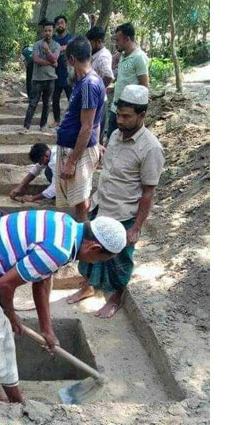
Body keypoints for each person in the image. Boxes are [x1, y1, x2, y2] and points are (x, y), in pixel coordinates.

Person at [0, 210, 127, 403]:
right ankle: (18, 403)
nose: (95, 264)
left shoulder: (68, 226)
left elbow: (42, 280)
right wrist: (11, 315)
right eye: (99, 261)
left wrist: (46, 329)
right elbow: (5, 284)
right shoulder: (57, 250)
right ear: (94, 248)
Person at [67, 85, 164, 319]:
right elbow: (108, 171)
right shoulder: (115, 135)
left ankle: (116, 297)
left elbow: (148, 193)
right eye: (118, 114)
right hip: (102, 205)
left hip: (124, 213)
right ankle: (88, 286)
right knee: (88, 251)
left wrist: (136, 227)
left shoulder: (151, 149)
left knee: (120, 261)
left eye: (126, 116)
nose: (120, 120)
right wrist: (94, 198)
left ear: (142, 115)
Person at [55, 36, 105, 222]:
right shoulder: (85, 82)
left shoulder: (89, 85)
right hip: (77, 149)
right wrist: (97, 143)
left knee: (81, 202)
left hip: (78, 152)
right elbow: (96, 122)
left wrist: (72, 161)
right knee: (79, 200)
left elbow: (87, 127)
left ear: (72, 59)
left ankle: (84, 242)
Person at [107, 23, 149, 141]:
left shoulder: (139, 58)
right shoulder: (123, 55)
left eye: (118, 40)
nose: (116, 43)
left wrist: (137, 113)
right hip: (116, 108)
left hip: (128, 113)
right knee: (112, 140)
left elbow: (144, 86)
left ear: (127, 39)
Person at [23, 20, 60, 131]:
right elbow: (36, 60)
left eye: (50, 30)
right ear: (42, 32)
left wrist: (47, 50)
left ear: (53, 32)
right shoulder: (37, 44)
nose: (47, 33)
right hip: (37, 79)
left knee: (47, 104)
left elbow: (55, 58)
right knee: (33, 103)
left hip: (50, 79)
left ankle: (43, 125)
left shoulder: (56, 45)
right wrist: (52, 63)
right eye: (45, 31)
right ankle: (26, 126)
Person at [86, 26, 115, 145]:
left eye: (90, 43)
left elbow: (109, 76)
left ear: (98, 42)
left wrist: (98, 91)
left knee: (95, 132)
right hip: (93, 98)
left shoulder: (103, 56)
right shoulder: (95, 54)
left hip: (98, 100)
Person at [50, 15, 74, 128]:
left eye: (62, 22)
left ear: (66, 24)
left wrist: (64, 47)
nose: (60, 25)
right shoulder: (53, 40)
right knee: (55, 99)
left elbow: (75, 47)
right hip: (55, 74)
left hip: (70, 74)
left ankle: (73, 120)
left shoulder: (71, 38)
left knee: (72, 99)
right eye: (58, 23)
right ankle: (57, 120)